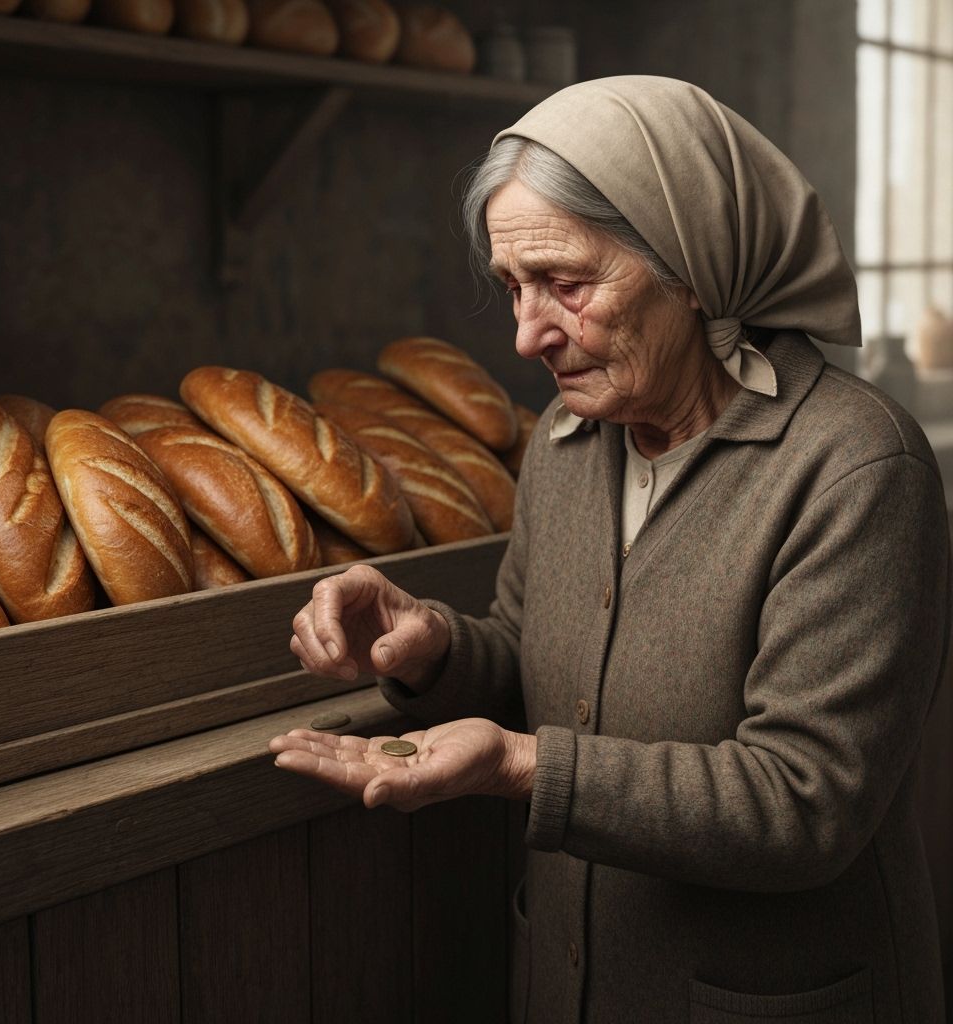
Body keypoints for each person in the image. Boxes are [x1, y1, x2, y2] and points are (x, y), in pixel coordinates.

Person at [269, 76, 950, 1022]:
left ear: (691, 259)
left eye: (566, 283)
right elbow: (536, 658)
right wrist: (433, 647)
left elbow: (805, 803)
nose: (526, 334)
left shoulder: (854, 465)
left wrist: (523, 768)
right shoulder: (568, 442)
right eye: (513, 288)